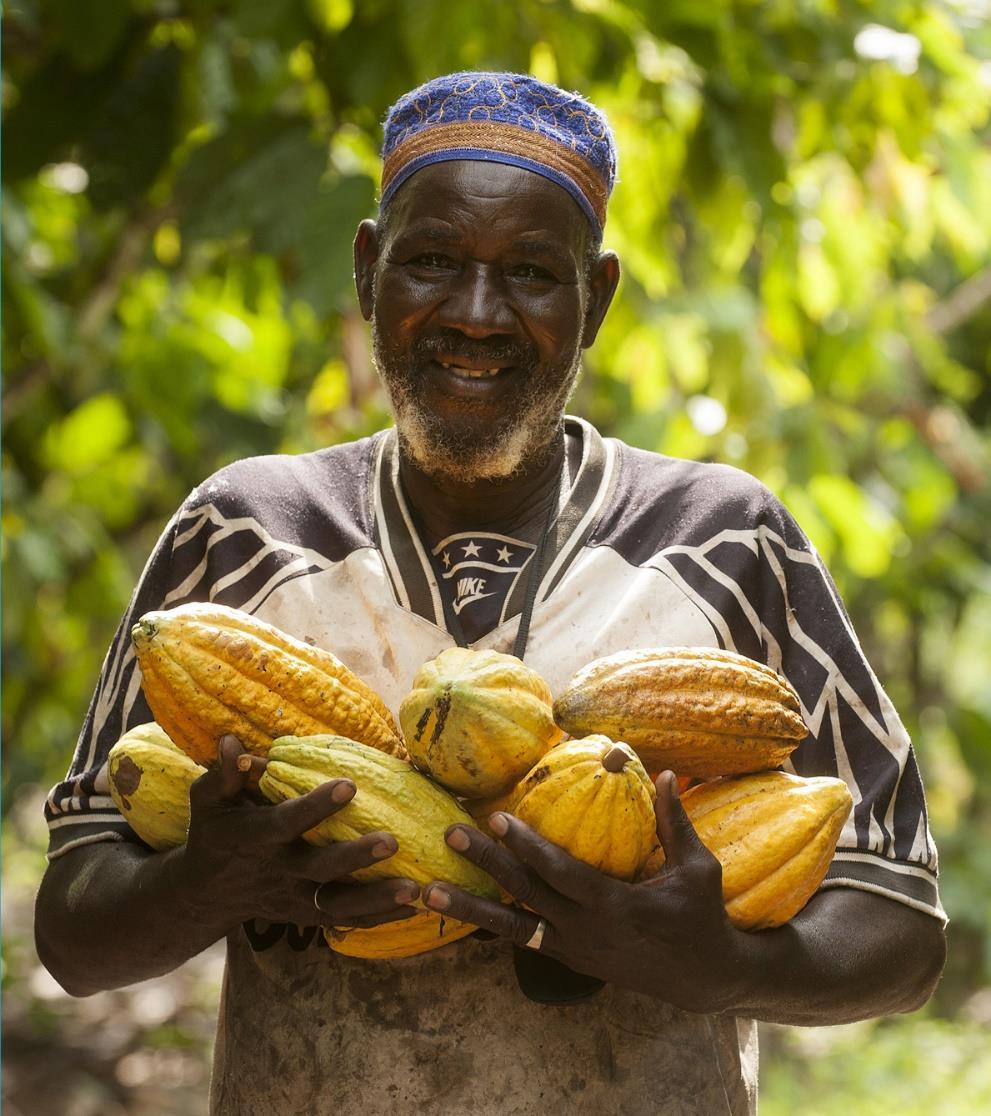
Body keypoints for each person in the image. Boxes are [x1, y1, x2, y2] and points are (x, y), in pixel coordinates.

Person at [35, 72, 946, 1115]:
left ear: (593, 298)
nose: (474, 315)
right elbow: (72, 933)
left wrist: (730, 966)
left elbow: (902, 923)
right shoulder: (243, 535)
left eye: (529, 274)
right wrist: (203, 882)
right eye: (430, 262)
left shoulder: (724, 541)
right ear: (369, 269)